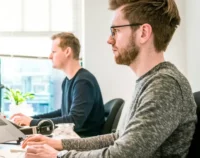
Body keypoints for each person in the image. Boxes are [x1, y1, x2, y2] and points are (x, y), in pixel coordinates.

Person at [21, 0, 197, 157]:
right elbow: (119, 138)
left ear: (143, 33)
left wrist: (58, 156)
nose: (109, 40)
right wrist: (58, 144)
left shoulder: (165, 85)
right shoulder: (150, 81)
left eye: (116, 31)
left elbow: (122, 154)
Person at [11, 32, 105, 137]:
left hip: (82, 142)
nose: (50, 56)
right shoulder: (68, 81)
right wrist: (32, 119)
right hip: (71, 137)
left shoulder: (83, 82)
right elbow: (63, 113)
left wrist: (32, 123)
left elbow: (74, 121)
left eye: (54, 52)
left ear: (67, 52)